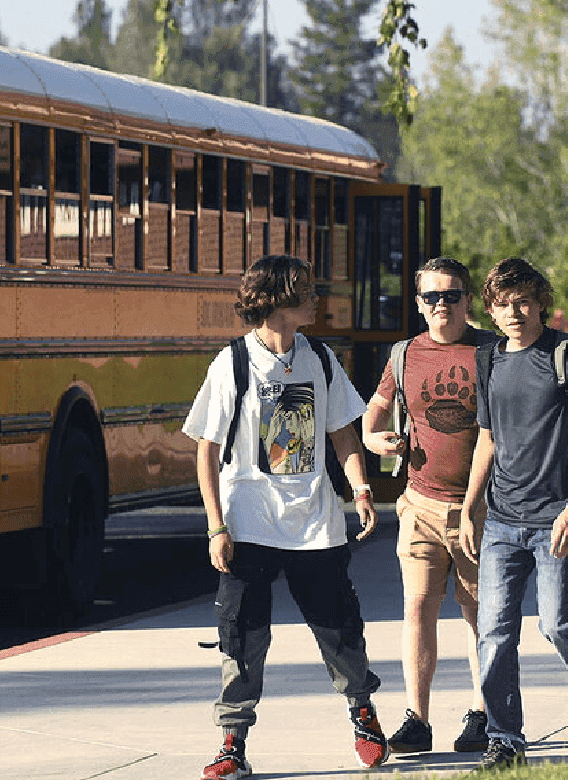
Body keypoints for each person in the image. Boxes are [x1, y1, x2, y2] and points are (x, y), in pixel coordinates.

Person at [183, 255, 390, 780]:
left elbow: (343, 429)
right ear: (276, 299)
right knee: (242, 637)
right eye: (306, 290)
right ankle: (232, 742)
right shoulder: (232, 364)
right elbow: (206, 450)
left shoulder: (320, 358)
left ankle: (363, 715)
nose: (316, 298)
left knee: (339, 627)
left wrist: (360, 488)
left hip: (313, 523)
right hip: (248, 523)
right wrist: (216, 526)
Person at [458, 258, 568, 770]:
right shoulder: (488, 360)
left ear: (540, 304)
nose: (514, 311)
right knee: (494, 631)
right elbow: (486, 438)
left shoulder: (564, 354)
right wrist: (471, 505)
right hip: (503, 523)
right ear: (490, 309)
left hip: (555, 517)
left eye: (524, 301)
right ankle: (506, 738)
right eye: (504, 303)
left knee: (557, 625)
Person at [361, 257, 491, 755]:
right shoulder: (404, 354)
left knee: (479, 613)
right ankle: (418, 718)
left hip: (477, 509)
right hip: (418, 505)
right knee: (417, 609)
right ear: (418, 304)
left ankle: (483, 712)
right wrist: (376, 442)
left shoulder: (490, 351)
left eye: (451, 295)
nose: (441, 305)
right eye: (431, 297)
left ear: (467, 300)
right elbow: (374, 413)